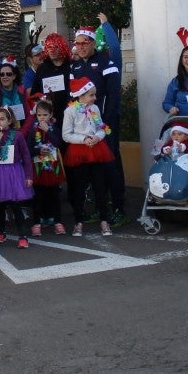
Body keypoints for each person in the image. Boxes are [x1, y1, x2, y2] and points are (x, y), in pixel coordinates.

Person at [70, 15, 126, 226]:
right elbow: (73, 98)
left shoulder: (107, 63)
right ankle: (100, 208)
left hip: (105, 125)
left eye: (86, 43)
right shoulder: (74, 67)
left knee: (111, 166)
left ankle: (119, 208)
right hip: (85, 128)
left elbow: (112, 96)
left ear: (93, 43)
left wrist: (105, 124)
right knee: (93, 170)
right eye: (78, 43)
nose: (82, 47)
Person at [62, 77, 115, 237]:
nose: (95, 98)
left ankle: (104, 220)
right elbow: (66, 135)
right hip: (79, 151)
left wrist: (97, 137)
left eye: (94, 95)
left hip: (97, 150)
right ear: (81, 95)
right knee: (79, 188)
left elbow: (101, 128)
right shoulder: (70, 111)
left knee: (100, 186)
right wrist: (83, 139)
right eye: (91, 95)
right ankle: (78, 222)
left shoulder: (95, 109)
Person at [0, 107, 34, 248]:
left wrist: (29, 175)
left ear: (10, 121)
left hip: (14, 173)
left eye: (2, 119)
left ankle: (22, 236)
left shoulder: (17, 136)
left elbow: (26, 156)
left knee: (16, 206)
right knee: (0, 206)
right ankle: (1, 232)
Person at [26, 98, 66, 236]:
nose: (42, 118)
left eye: (45, 115)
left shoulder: (54, 129)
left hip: (52, 166)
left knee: (54, 195)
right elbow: (28, 149)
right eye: (39, 115)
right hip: (38, 167)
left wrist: (48, 130)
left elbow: (58, 143)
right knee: (38, 196)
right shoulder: (32, 130)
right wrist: (38, 151)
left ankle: (57, 221)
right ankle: (37, 222)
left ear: (51, 115)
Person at [0, 57, 30, 130]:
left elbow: (29, 114)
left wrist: (23, 133)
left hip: (23, 132)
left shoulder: (22, 91)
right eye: (2, 74)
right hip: (3, 134)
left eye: (9, 74)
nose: (5, 77)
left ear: (14, 76)